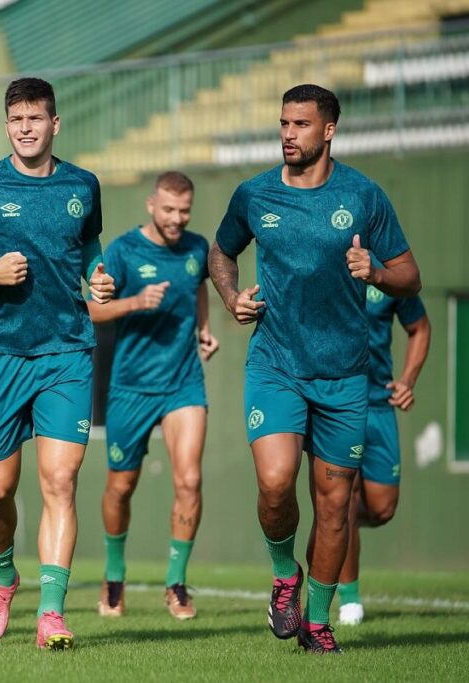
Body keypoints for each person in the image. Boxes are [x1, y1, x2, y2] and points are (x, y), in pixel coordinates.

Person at [207, 84, 421, 654]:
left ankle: (319, 623)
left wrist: (374, 270)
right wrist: (231, 298)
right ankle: (285, 576)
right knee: (276, 484)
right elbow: (220, 251)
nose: (287, 134)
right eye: (283, 123)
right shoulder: (254, 194)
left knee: (334, 508)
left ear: (328, 130)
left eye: (300, 125)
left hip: (347, 377)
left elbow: (410, 277)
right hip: (276, 364)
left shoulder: (364, 196)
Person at [0, 78, 115, 650]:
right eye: (17, 120)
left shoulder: (83, 184)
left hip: (66, 352)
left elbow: (87, 247)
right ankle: (3, 577)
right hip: (1, 355)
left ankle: (53, 613)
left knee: (61, 480)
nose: (27, 127)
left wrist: (99, 276)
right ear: (7, 125)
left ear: (55, 124)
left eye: (37, 118)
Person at [88, 171, 218, 621]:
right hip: (130, 388)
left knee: (189, 481)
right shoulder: (123, 251)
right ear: (151, 205)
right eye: (168, 209)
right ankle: (114, 576)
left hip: (183, 383)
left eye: (184, 211)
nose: (177, 218)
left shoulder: (197, 249)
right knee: (121, 487)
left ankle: (177, 584)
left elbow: (199, 285)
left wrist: (203, 329)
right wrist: (135, 303)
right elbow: (92, 309)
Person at [337, 280, 430, 625]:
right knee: (343, 496)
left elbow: (419, 327)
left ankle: (331, 524)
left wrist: (408, 380)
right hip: (336, 403)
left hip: (379, 406)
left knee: (381, 508)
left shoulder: (389, 273)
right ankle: (349, 598)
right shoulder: (323, 256)